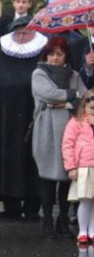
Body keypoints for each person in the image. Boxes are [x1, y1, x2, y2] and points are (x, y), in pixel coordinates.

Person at [0, 17, 48, 219]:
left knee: (33, 161)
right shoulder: (2, 53)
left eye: (25, 33)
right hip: (5, 121)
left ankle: (32, 207)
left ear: (33, 34)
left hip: (34, 118)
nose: (21, 36)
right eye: (17, 33)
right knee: (7, 161)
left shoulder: (42, 53)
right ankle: (10, 205)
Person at [32, 37, 87, 238]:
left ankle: (62, 218)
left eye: (60, 54)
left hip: (70, 130)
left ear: (66, 55)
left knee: (66, 178)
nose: (55, 58)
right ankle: (47, 219)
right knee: (47, 177)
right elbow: (49, 94)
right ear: (46, 55)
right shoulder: (39, 73)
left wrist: (68, 104)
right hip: (46, 129)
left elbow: (85, 99)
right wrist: (72, 95)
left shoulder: (73, 74)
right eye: (52, 54)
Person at [63, 89, 94, 246]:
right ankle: (83, 231)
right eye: (91, 108)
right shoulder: (76, 123)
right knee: (85, 200)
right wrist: (71, 167)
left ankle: (92, 231)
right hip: (84, 167)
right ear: (84, 107)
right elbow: (68, 145)